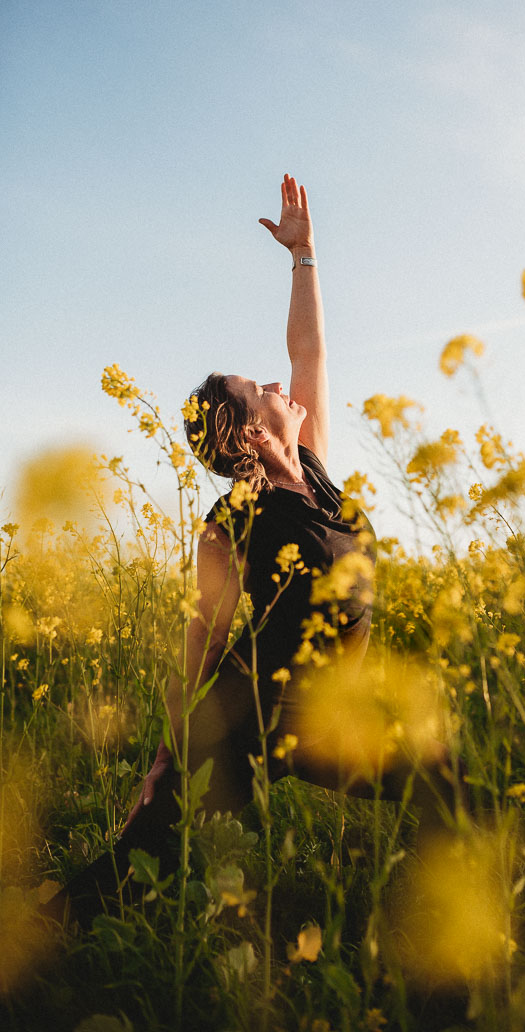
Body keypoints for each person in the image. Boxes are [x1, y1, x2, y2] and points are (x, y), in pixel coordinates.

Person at [45, 176, 459, 928]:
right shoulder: (230, 522)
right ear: (252, 435)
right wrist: (170, 751)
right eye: (257, 386)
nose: (277, 381)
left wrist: (304, 256)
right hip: (251, 712)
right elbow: (202, 634)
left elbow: (311, 354)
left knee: (463, 790)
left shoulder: (319, 473)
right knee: (132, 872)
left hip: (331, 714)